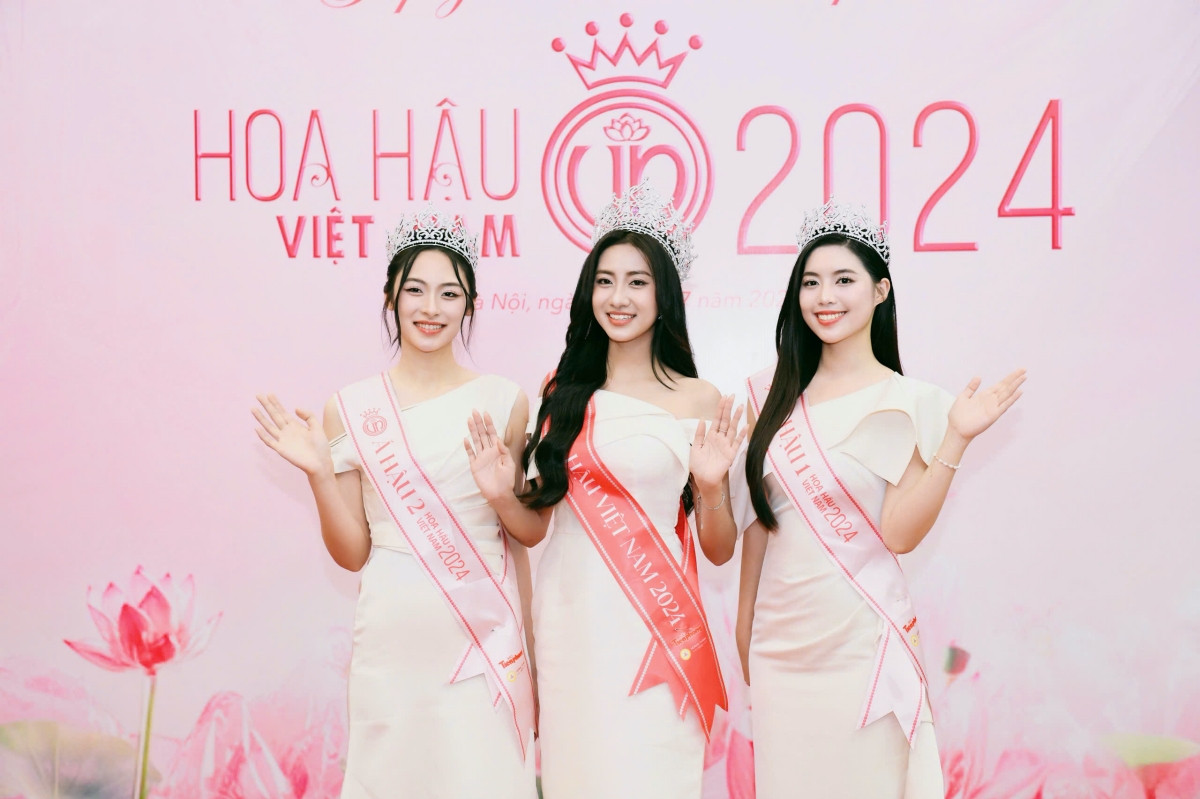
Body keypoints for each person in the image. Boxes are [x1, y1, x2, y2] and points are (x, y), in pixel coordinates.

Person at [735, 199, 1025, 799]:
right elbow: (760, 526)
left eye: (844, 280)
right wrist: (745, 633)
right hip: (778, 654)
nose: (825, 297)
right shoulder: (768, 397)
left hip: (861, 647)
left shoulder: (907, 399)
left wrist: (955, 440)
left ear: (880, 290)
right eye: (811, 282)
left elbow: (898, 533)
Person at [251, 207, 537, 799]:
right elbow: (353, 553)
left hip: (482, 641)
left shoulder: (506, 402)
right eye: (415, 290)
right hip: (391, 637)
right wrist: (319, 474)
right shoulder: (351, 409)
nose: (431, 307)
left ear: (470, 305)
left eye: (449, 293)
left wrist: (529, 652)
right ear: (390, 298)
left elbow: (520, 541)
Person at [472, 180, 744, 798]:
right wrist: (500, 493)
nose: (618, 298)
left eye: (637, 282)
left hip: (657, 632)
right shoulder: (562, 393)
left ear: (664, 295)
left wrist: (710, 487)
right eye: (605, 280)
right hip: (573, 626)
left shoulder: (700, 399)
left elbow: (720, 547)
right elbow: (535, 528)